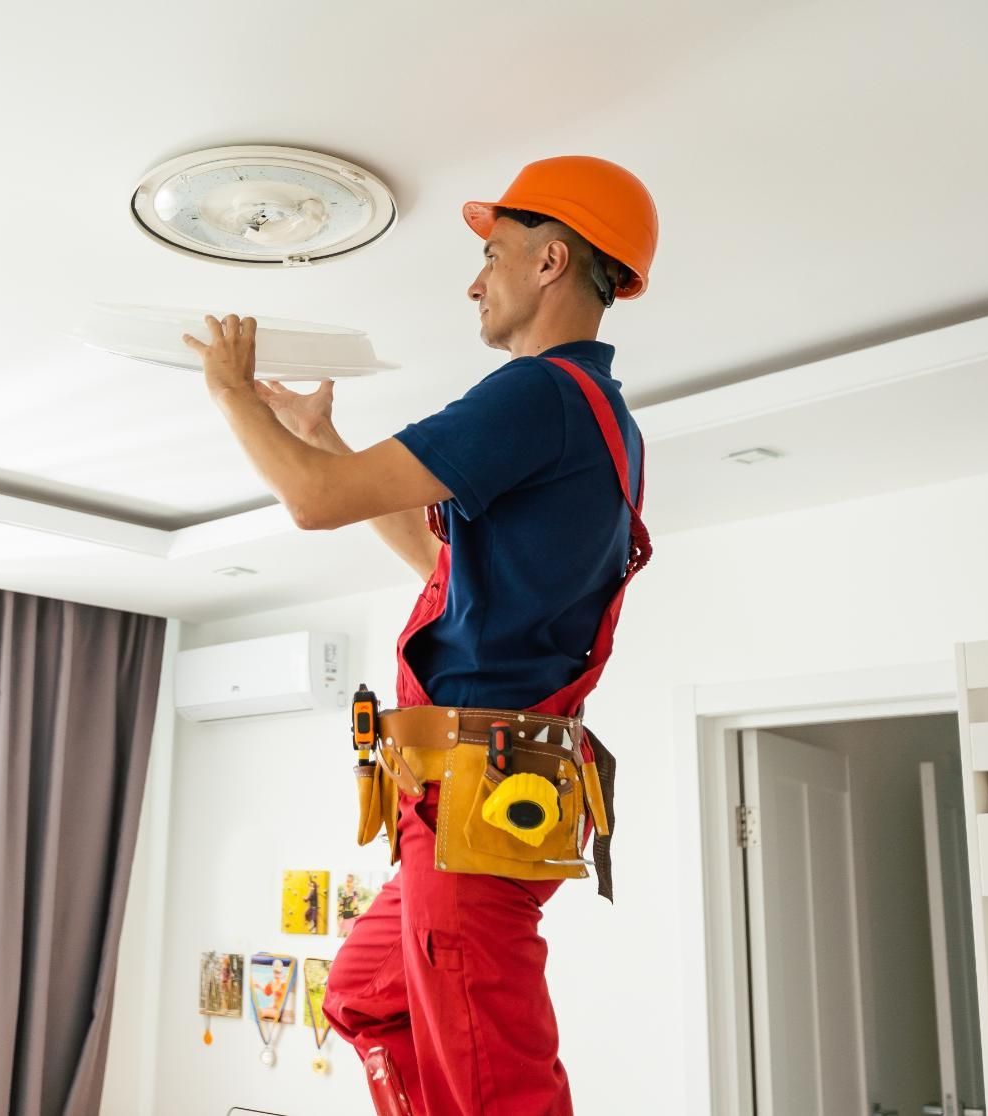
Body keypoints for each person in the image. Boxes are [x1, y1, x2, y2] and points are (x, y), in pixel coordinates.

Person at [184, 155, 656, 1115]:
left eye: (492, 254)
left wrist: (232, 392)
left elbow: (313, 506)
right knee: (366, 995)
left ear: (550, 260)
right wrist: (320, 434)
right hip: (469, 793)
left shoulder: (540, 395)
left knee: (494, 1078)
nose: (474, 280)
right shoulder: (591, 416)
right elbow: (434, 564)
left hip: (478, 794)